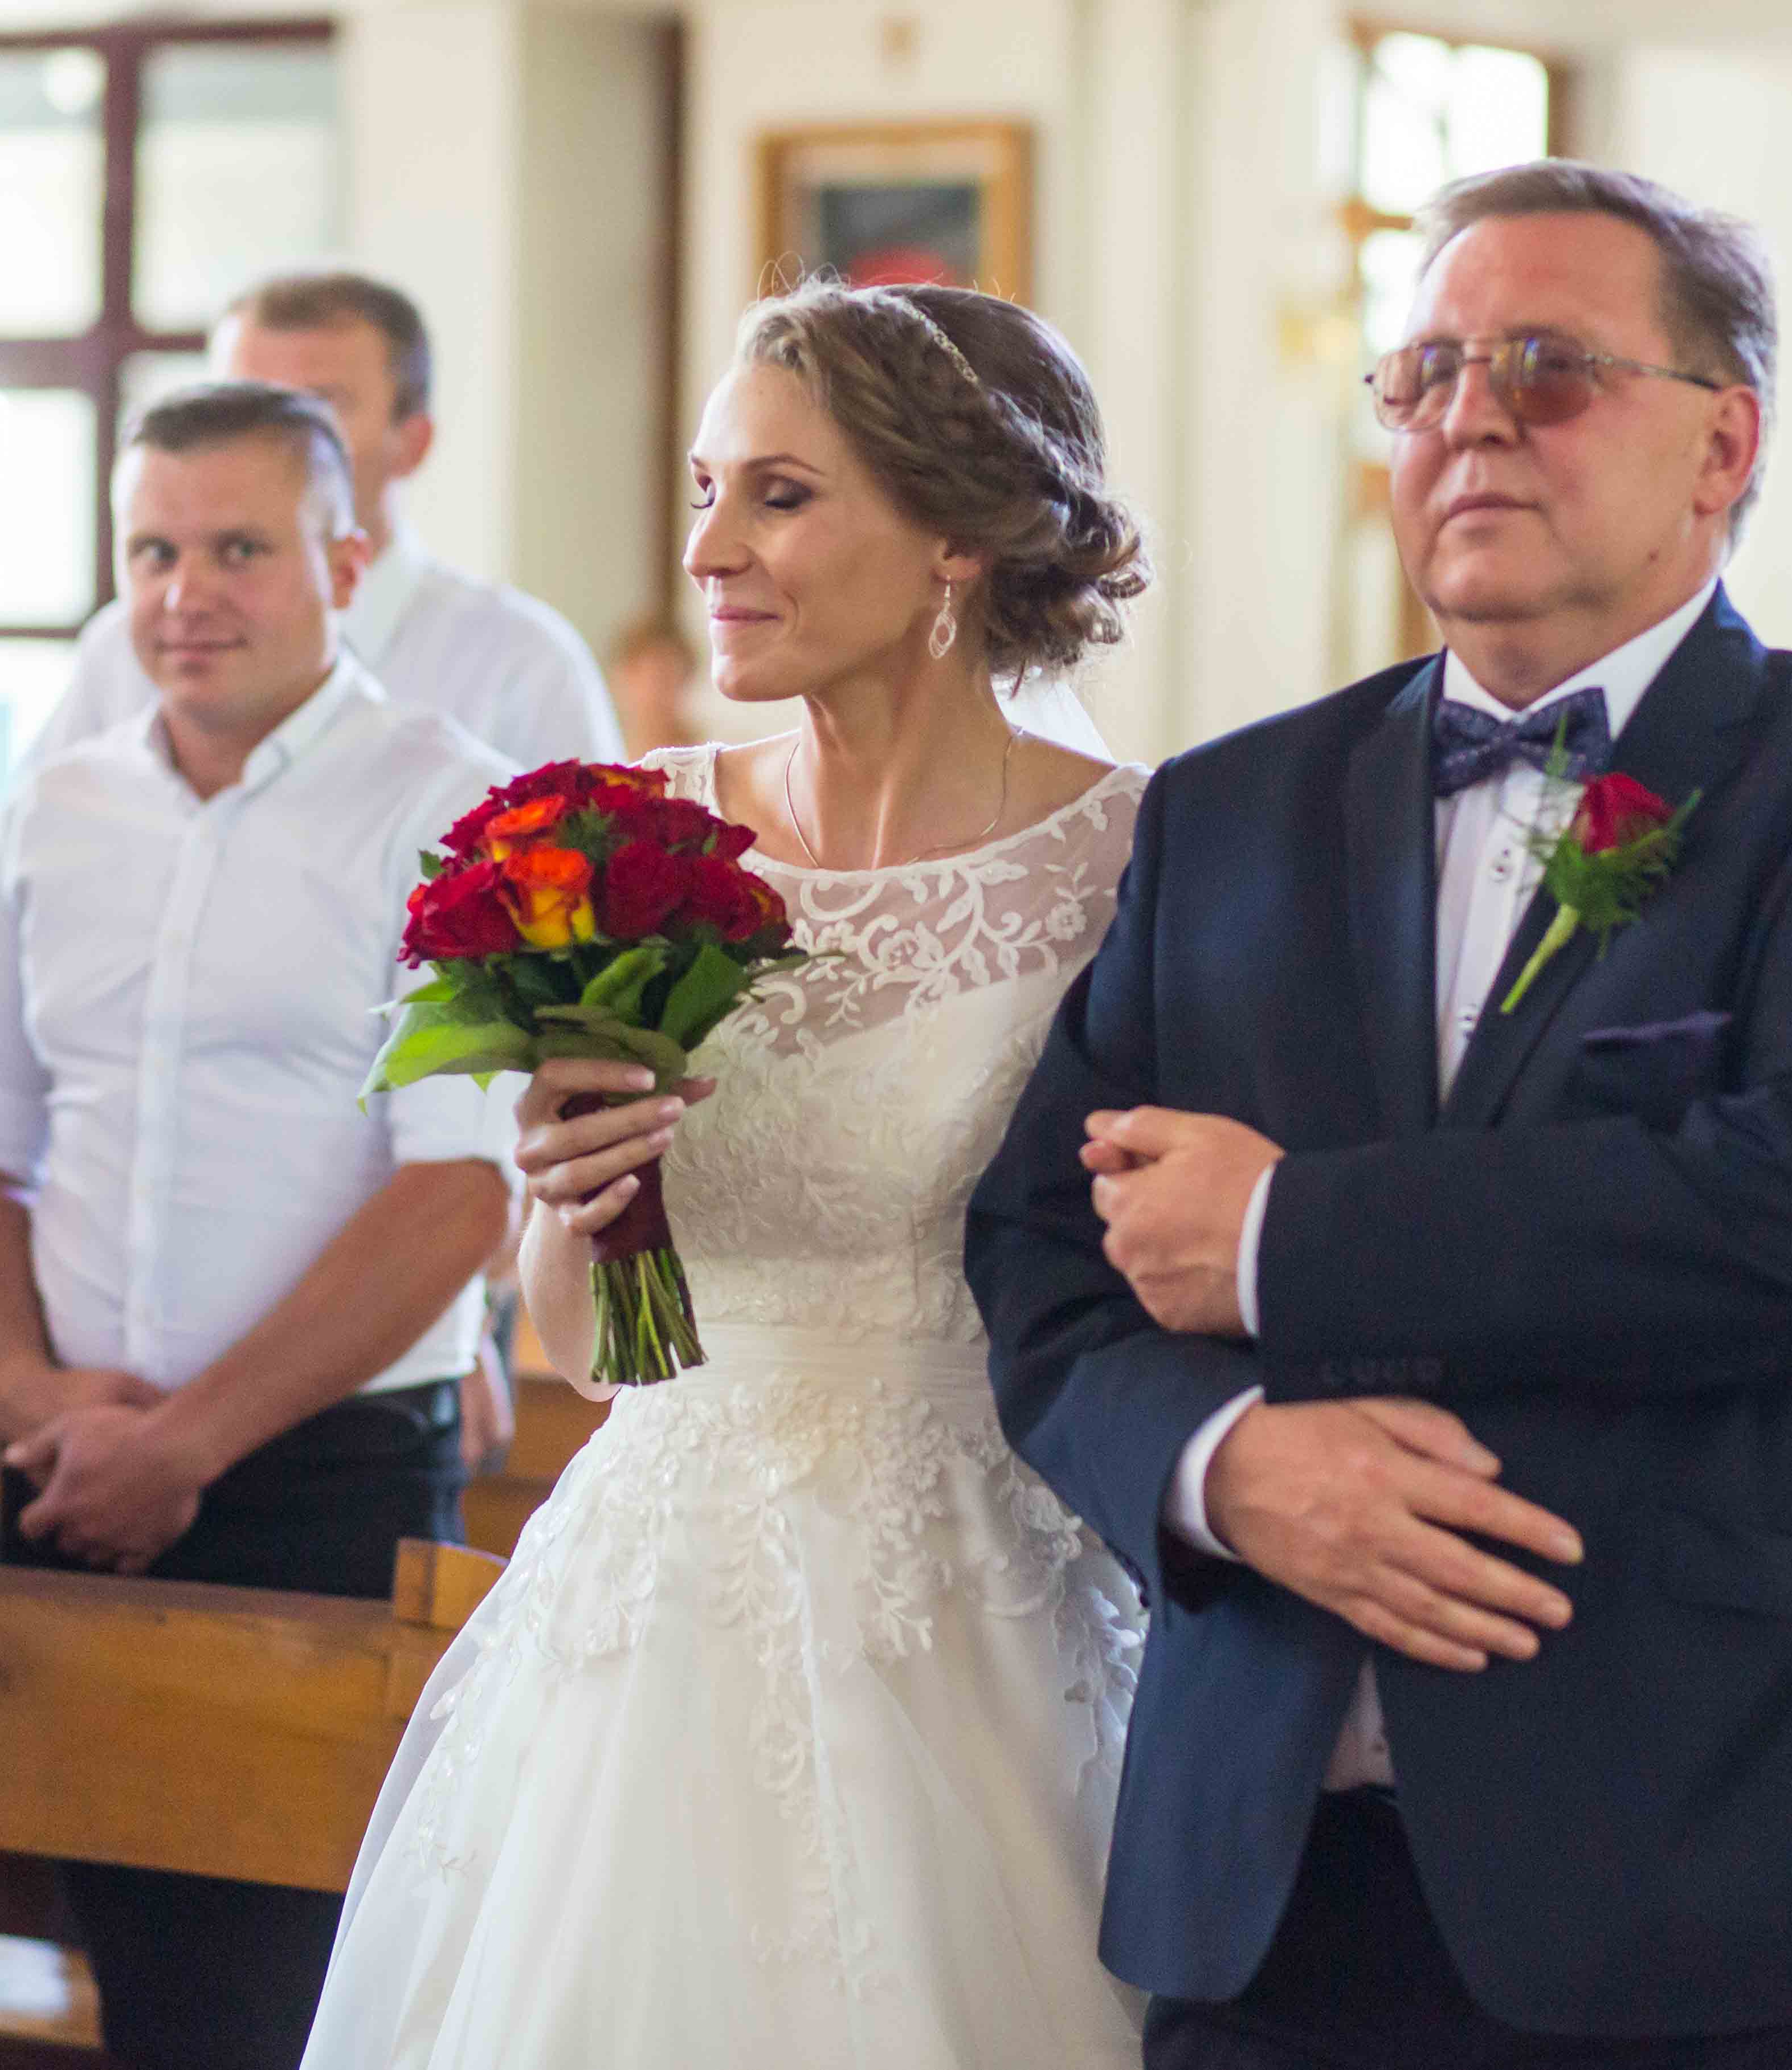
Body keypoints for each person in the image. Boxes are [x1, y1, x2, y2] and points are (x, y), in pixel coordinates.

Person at [969, 160, 1792, 2069]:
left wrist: (1282, 1238)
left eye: (1548, 369)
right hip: (1265, 1867)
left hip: (1706, 1858)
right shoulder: (1230, 810)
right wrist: (1220, 1464)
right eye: (1427, 374)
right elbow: (1041, 1252)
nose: (1468, 417)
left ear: (1724, 443)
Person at [303, 279, 1155, 2069]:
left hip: (978, 1598)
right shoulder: (628, 835)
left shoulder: (1129, 860)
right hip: (653, 1600)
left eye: (778, 495)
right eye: (706, 491)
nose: (707, 550)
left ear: (953, 537)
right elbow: (584, 1349)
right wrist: (569, 1184)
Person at [0, 381, 519, 2070]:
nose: (187, 594)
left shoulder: (455, 806)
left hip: (322, 1484)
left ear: (346, 558)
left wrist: (183, 1442)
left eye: (239, 549)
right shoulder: (57, 807)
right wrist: (30, 1396)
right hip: (69, 1472)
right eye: (152, 552)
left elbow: (457, 1189)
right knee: (132, 1985)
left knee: (291, 2001)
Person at [22, 270, 621, 777]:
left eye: (314, 411)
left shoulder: (520, 666)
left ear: (411, 444)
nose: (262, 443)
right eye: (238, 403)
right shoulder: (124, 652)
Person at [603, 611, 699, 754]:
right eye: (656, 678)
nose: (659, 692)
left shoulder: (707, 757)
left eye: (667, 679)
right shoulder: (604, 750)